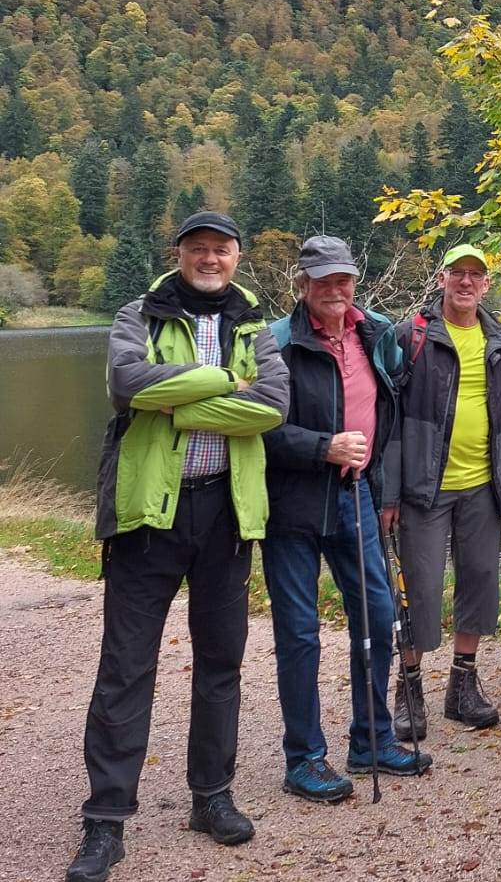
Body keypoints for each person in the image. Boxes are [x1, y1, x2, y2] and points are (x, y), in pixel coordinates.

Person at [67, 212, 288, 882]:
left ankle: (210, 796)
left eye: (221, 248)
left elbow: (273, 405)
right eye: (199, 248)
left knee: (221, 663)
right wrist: (224, 382)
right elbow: (128, 385)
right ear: (180, 253)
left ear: (237, 255)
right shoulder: (140, 311)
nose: (210, 258)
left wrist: (177, 395)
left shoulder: (255, 323)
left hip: (225, 512)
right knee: (126, 666)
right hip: (147, 516)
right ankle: (106, 818)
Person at [261, 235, 429, 803]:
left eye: (344, 279)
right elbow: (258, 427)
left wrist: (383, 482)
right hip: (290, 503)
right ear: (302, 284)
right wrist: (321, 447)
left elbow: (390, 410)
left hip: (356, 494)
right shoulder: (277, 343)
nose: (336, 289)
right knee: (299, 632)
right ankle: (304, 757)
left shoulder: (374, 334)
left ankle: (372, 739)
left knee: (377, 616)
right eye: (324, 279)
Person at [384, 244, 501, 740]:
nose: (467, 282)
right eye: (458, 274)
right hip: (423, 489)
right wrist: (388, 494)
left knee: (480, 583)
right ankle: (408, 692)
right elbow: (389, 421)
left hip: (482, 488)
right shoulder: (413, 335)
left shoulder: (500, 342)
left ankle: (462, 685)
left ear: (486, 284)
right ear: (442, 279)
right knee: (420, 591)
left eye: (476, 275)